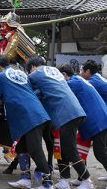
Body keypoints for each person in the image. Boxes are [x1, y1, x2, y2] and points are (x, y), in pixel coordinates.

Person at [27, 56, 93, 189]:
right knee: (63, 149)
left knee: (70, 150)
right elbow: (45, 91)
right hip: (73, 111)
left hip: (66, 114)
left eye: (29, 69)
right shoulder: (54, 71)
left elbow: (26, 88)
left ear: (33, 66)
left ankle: (87, 180)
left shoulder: (36, 74)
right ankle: (64, 180)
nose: (29, 72)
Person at [0, 55, 52, 189]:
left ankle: (47, 183)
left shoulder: (1, 76)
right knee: (21, 147)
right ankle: (25, 178)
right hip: (37, 112)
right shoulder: (23, 73)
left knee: (35, 149)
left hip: (26, 116)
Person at [58, 64, 107, 188]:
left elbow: (58, 93)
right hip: (94, 119)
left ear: (64, 75)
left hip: (97, 121)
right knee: (80, 149)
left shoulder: (72, 83)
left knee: (100, 152)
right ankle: (81, 177)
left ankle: (85, 180)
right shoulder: (77, 80)